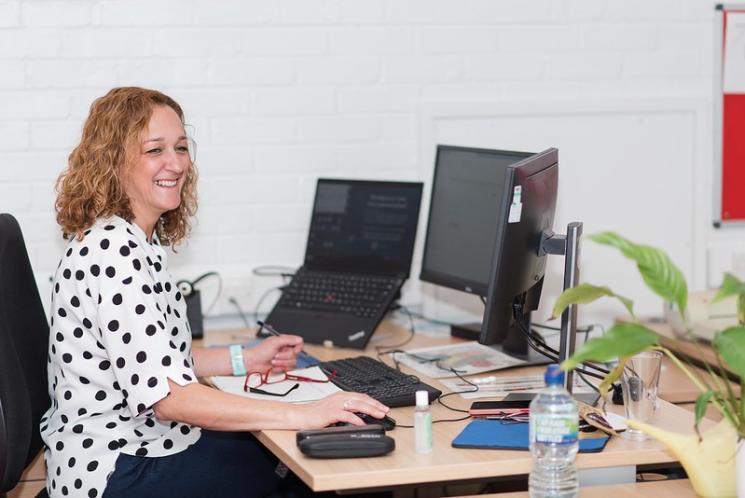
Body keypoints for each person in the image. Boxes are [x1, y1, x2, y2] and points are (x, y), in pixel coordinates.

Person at [41, 87, 389, 498]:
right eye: (155, 150)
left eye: (181, 147)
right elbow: (171, 399)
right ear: (113, 162)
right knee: (315, 474)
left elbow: (158, 362)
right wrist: (306, 414)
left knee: (293, 459)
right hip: (119, 468)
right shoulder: (115, 252)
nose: (176, 163)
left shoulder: (131, 240)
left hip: (138, 446)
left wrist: (244, 358)